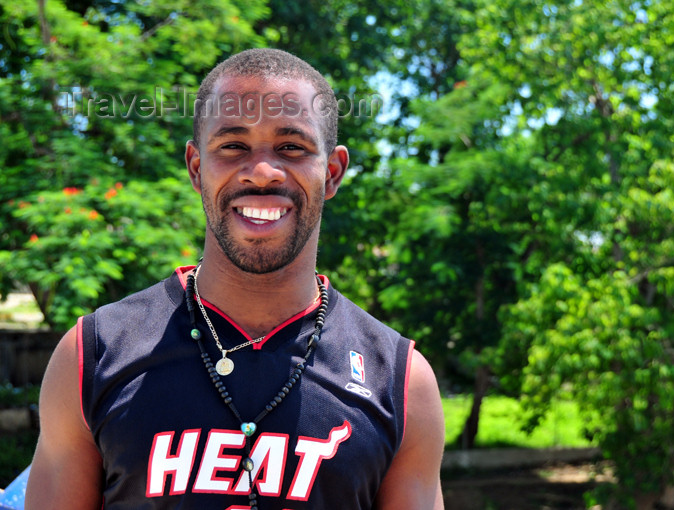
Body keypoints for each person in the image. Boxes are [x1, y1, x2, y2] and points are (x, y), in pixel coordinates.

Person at [25, 48, 445, 510]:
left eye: (291, 147)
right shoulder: (91, 355)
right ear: (196, 167)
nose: (262, 172)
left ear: (332, 173)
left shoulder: (401, 383)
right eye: (233, 146)